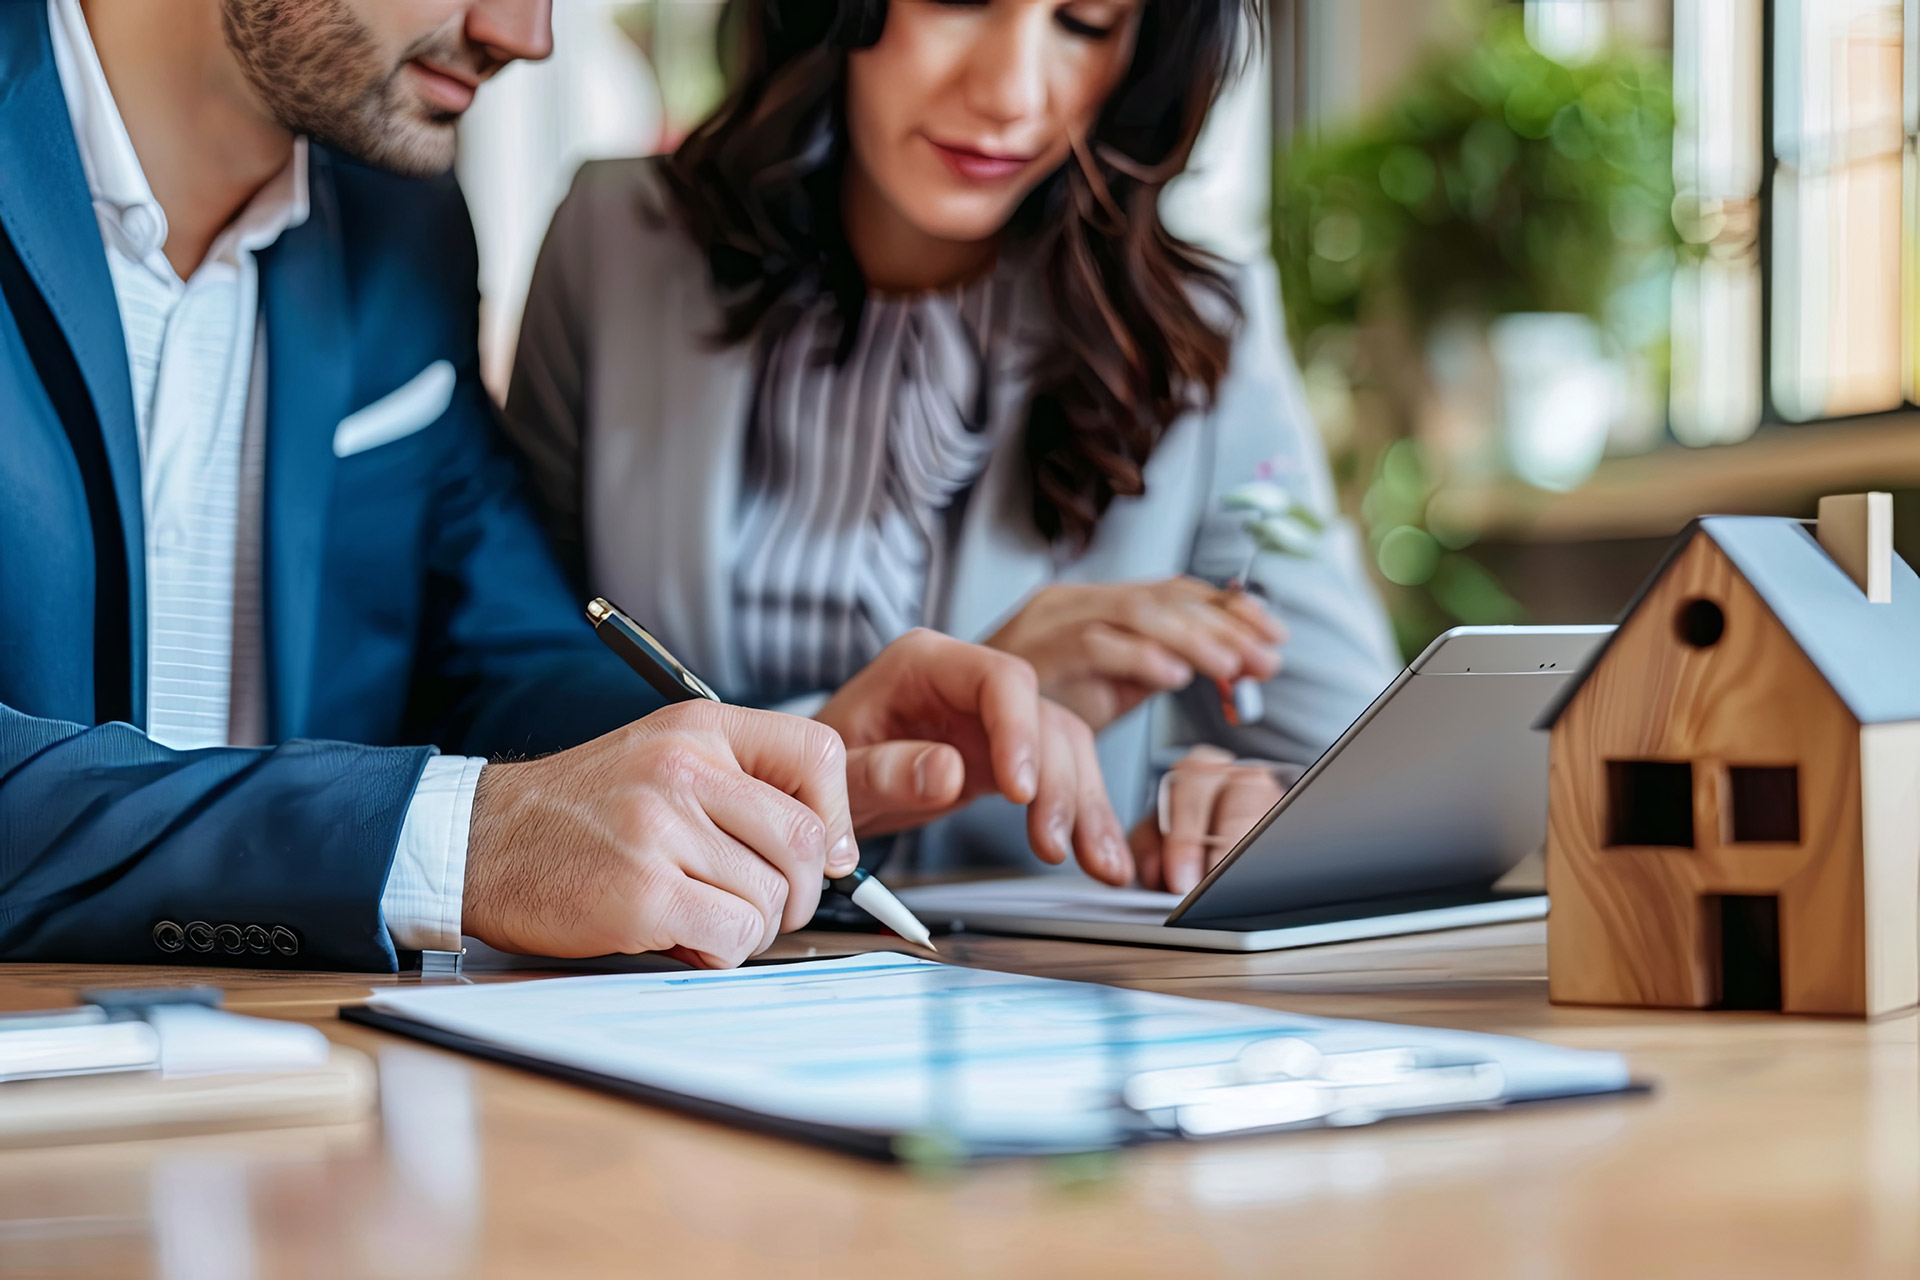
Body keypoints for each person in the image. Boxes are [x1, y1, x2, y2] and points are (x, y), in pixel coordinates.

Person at [0, 0, 1127, 973]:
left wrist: (767, 763)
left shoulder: (399, 221)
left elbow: (502, 651)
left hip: (298, 1067)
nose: (524, 33)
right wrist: (457, 843)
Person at [503, 0, 1400, 896]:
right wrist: (870, 745)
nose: (1012, 95)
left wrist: (1232, 798)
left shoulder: (1197, 336)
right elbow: (502, 704)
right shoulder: (612, 245)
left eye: (1086, 22)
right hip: (659, 955)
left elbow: (1372, 762)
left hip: (1013, 976)